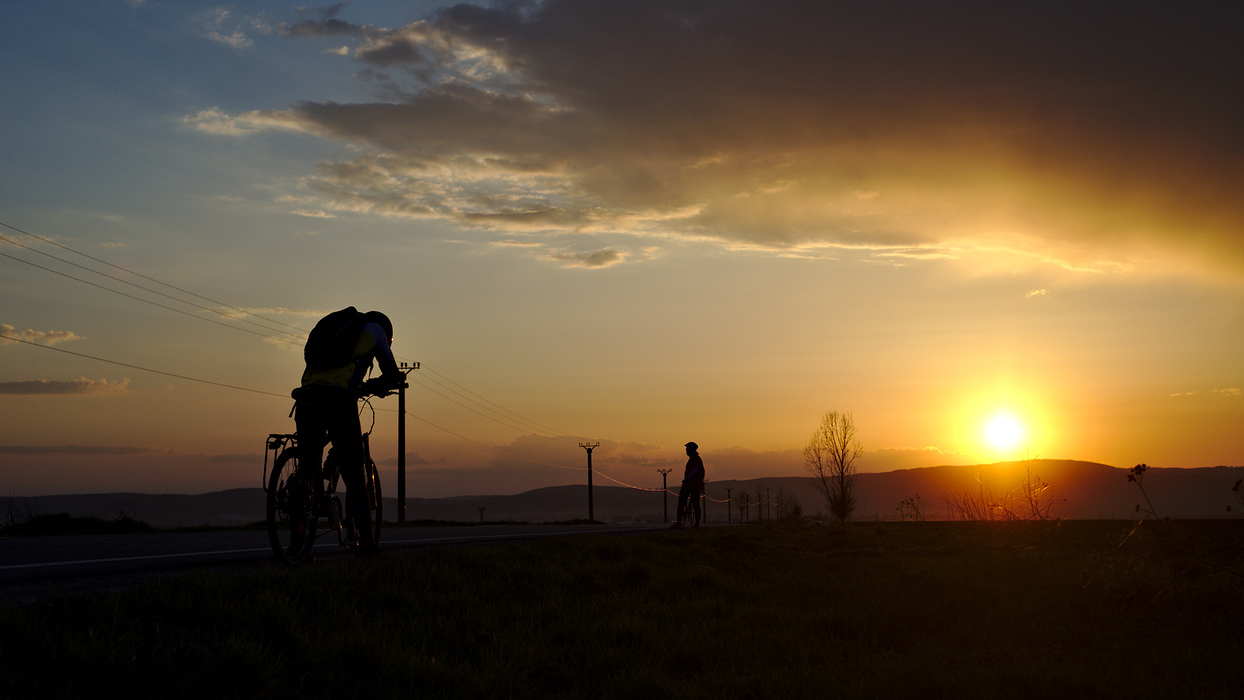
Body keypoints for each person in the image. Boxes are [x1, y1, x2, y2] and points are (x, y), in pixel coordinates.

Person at [292, 309, 403, 556]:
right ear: (388, 333)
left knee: (306, 470)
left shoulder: (338, 330)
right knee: (354, 471)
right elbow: (392, 374)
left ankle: (297, 544)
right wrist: (380, 385)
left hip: (307, 394)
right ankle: (367, 544)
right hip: (338, 400)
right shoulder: (377, 331)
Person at [673, 441, 705, 528]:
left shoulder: (695, 459)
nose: (686, 451)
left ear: (691, 450)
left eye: (687, 449)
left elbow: (694, 470)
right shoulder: (696, 459)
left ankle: (679, 523)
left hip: (691, 485)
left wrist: (687, 479)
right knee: (696, 504)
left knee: (682, 502)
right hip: (696, 486)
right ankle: (696, 524)